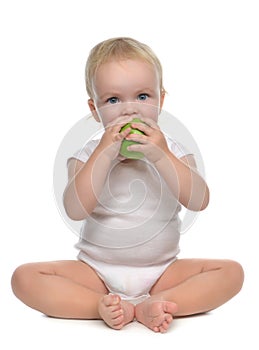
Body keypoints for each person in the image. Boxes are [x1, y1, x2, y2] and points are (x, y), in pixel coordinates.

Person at [11, 37, 244, 333]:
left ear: (161, 99)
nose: (129, 111)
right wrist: (104, 153)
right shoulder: (85, 155)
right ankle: (99, 304)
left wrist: (162, 156)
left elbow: (199, 201)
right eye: (112, 100)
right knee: (24, 278)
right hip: (96, 272)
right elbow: (75, 209)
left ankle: (161, 301)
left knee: (231, 273)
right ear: (94, 110)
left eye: (143, 96)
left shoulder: (174, 150)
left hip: (162, 272)